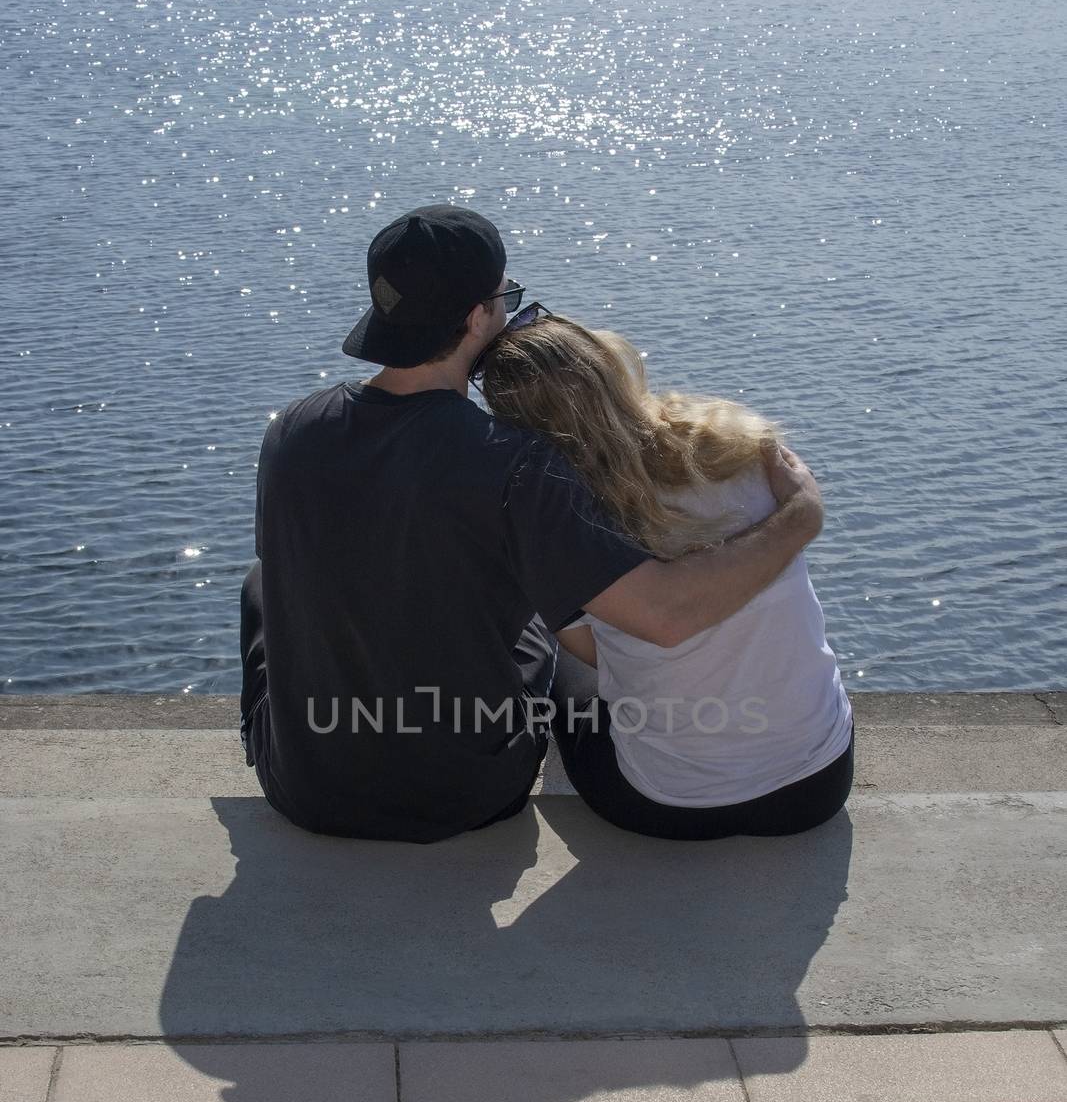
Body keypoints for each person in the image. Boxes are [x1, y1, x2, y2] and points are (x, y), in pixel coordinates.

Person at [239, 204, 825, 843]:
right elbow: (665, 616)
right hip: (470, 794)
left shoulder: (291, 431)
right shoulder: (514, 462)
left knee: (262, 584)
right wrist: (798, 517)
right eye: (504, 297)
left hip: (305, 791)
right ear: (475, 318)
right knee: (549, 632)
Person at [477, 309, 854, 841]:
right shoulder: (746, 451)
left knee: (556, 649)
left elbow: (597, 652)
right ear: (608, 366)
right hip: (816, 786)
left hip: (665, 805)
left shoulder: (565, 516)